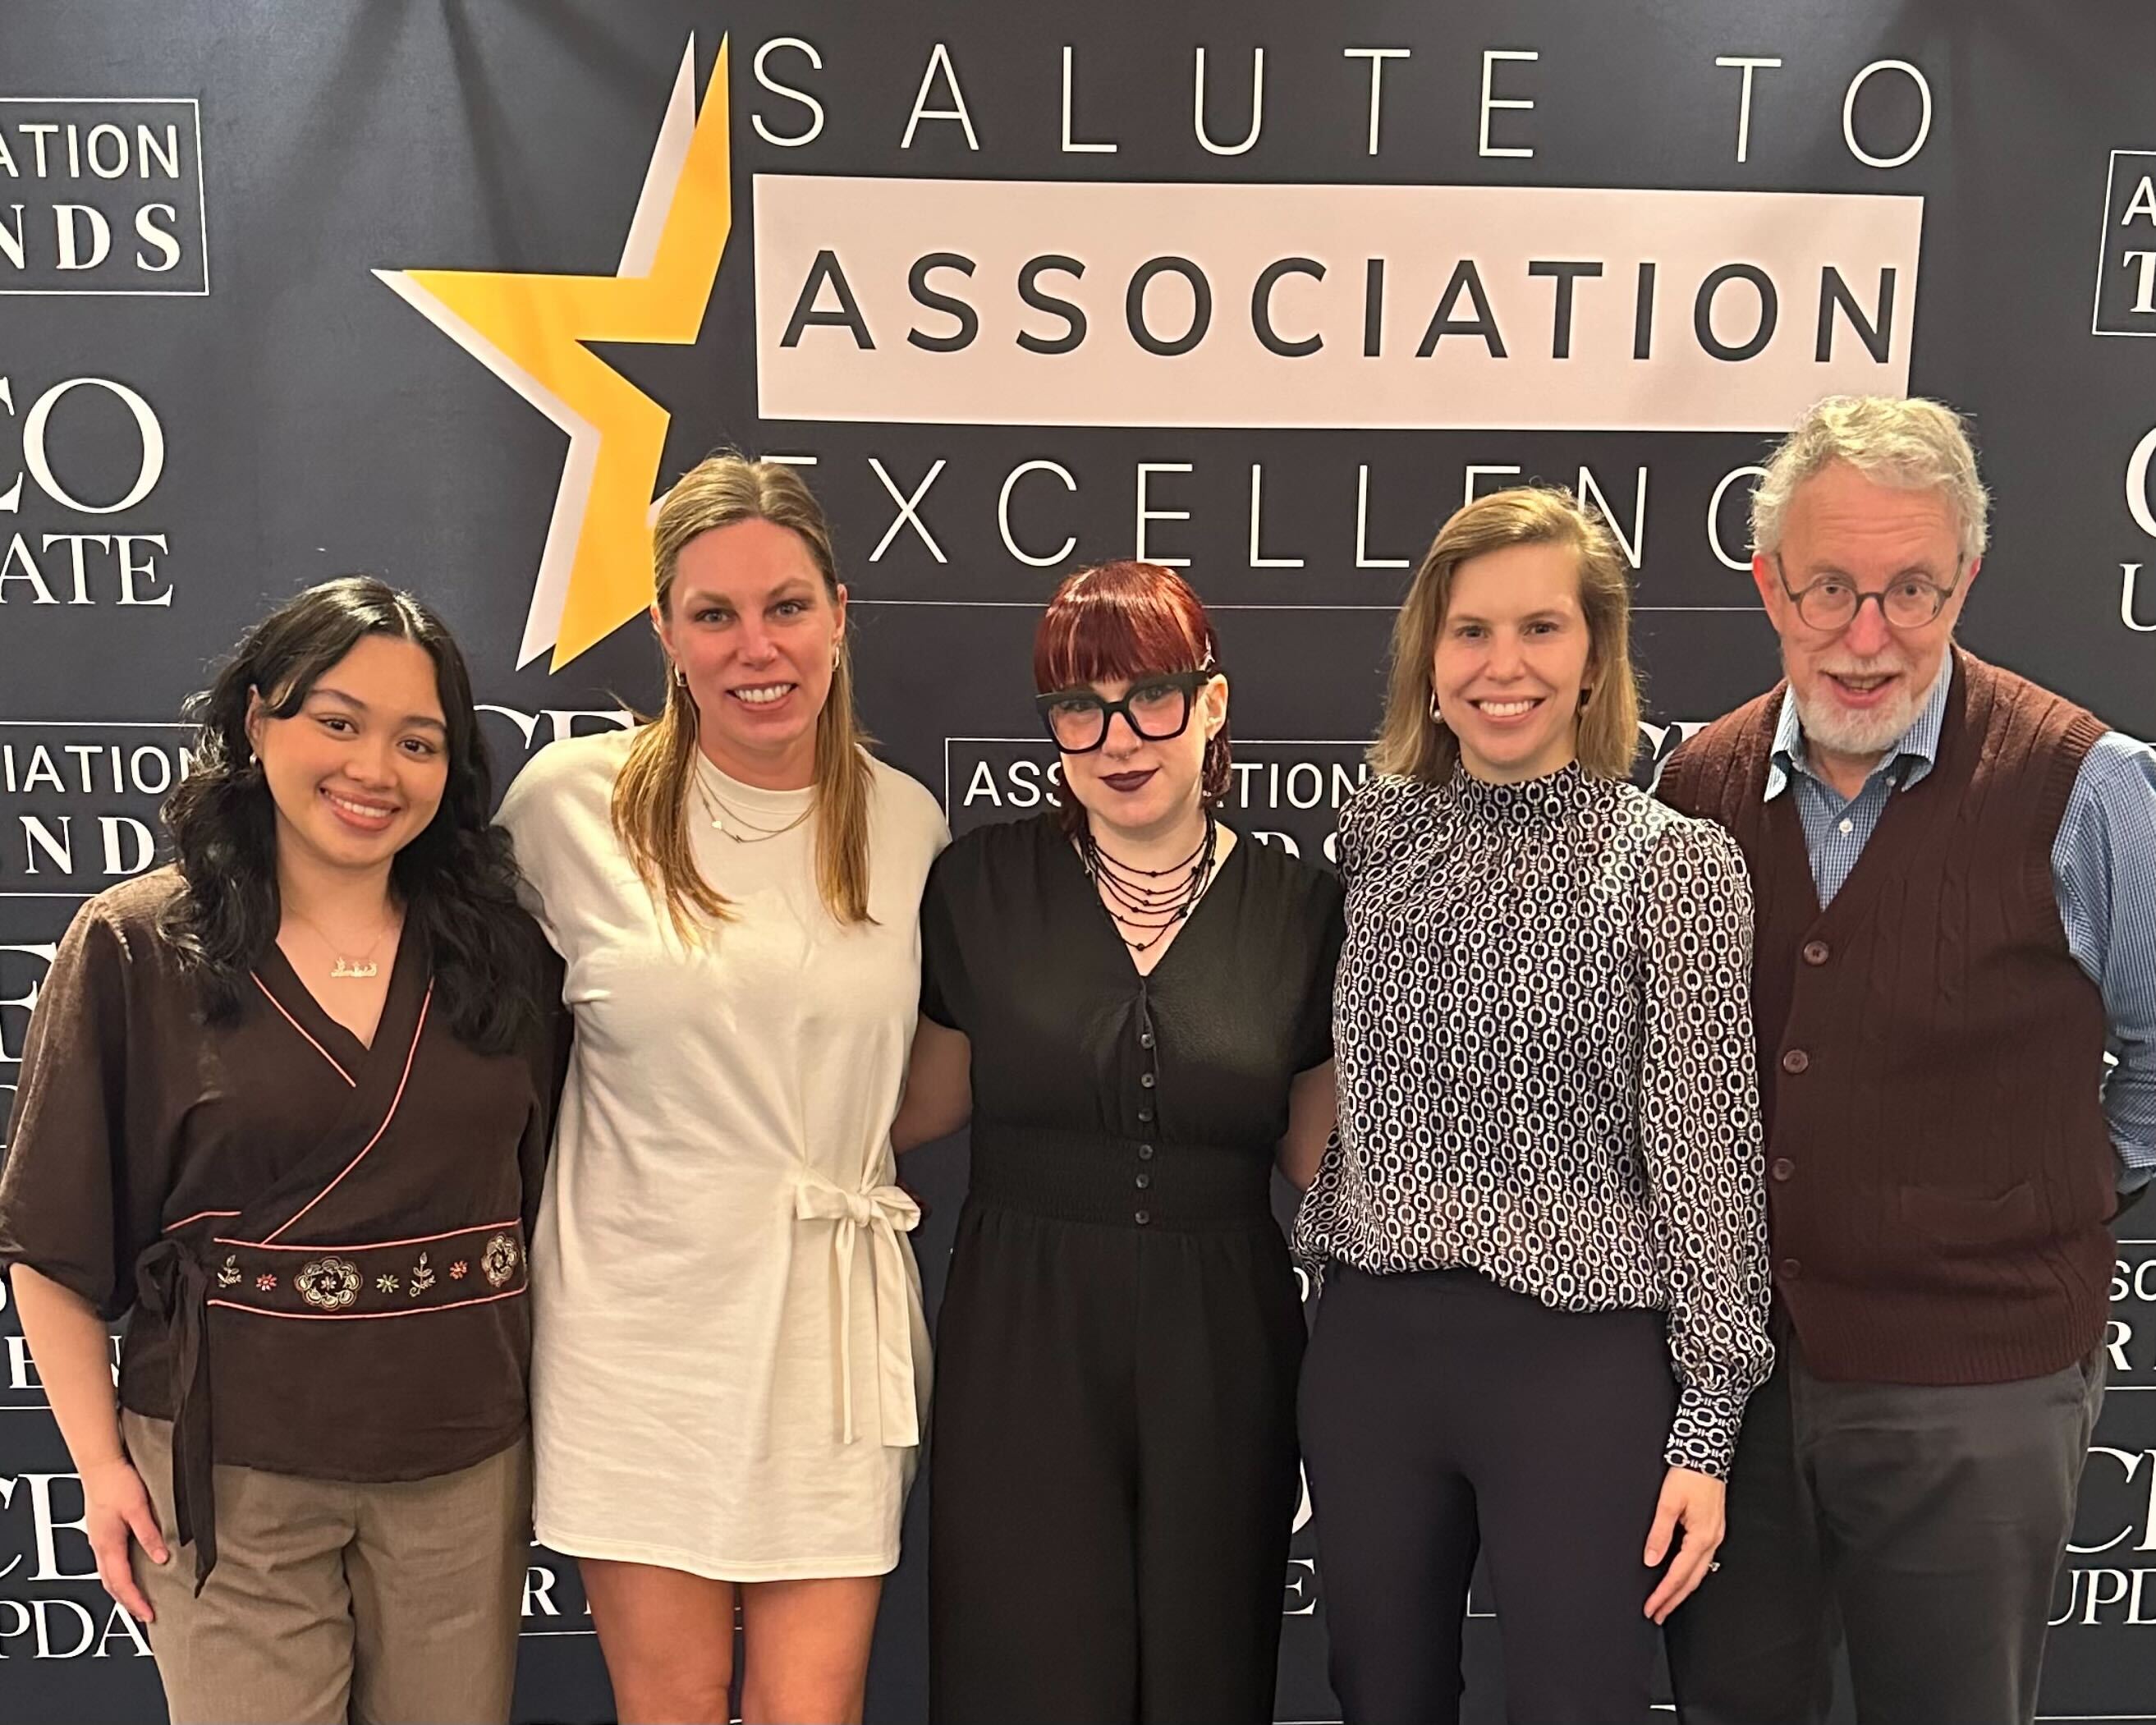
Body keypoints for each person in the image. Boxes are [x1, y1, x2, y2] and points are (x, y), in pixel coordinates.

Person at [1656, 395, 2156, 1725]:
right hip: (1733, 1398)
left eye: (1910, 590)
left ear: (1964, 581)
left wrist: (2049, 1184)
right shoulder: (1691, 788)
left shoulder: (2088, 788)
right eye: (1829, 587)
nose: (1866, 635)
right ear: (1767, 581)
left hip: (1978, 1392)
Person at [0, 577, 562, 1725]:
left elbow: (552, 1197)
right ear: (258, 721)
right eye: (337, 720)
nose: (373, 768)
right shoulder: (135, 944)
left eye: (418, 741)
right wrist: (103, 1470)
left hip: (464, 1464)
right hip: (228, 1478)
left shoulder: (505, 949)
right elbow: (50, 1243)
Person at [1293, 487, 1773, 1724]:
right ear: (1428, 657)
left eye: (1539, 629)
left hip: (1576, 1367)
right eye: (1468, 631)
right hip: (1369, 1357)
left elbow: (1707, 1162)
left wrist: (1706, 1427)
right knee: (1376, 1696)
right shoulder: (1380, 833)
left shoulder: (1673, 864)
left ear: (1593, 655)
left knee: (1577, 1702)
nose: (1501, 665)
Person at [495, 454, 945, 1725]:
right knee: (673, 1704)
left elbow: (903, 1076)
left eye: (786, 605)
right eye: (715, 613)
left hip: (831, 1331)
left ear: (839, 614)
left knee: (814, 1706)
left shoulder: (905, 824)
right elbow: (485, 1055)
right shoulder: (567, 807)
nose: (758, 646)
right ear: (665, 633)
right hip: (639, 1329)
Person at [892, 560, 1342, 1724]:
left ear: (1215, 704)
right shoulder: (977, 886)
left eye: (1152, 696)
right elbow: (912, 1106)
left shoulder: (1303, 909)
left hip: (1226, 1338)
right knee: (1020, 1659)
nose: (1117, 738)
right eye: (1077, 707)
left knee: (1205, 1662)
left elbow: (1321, 1160)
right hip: (1020, 1331)